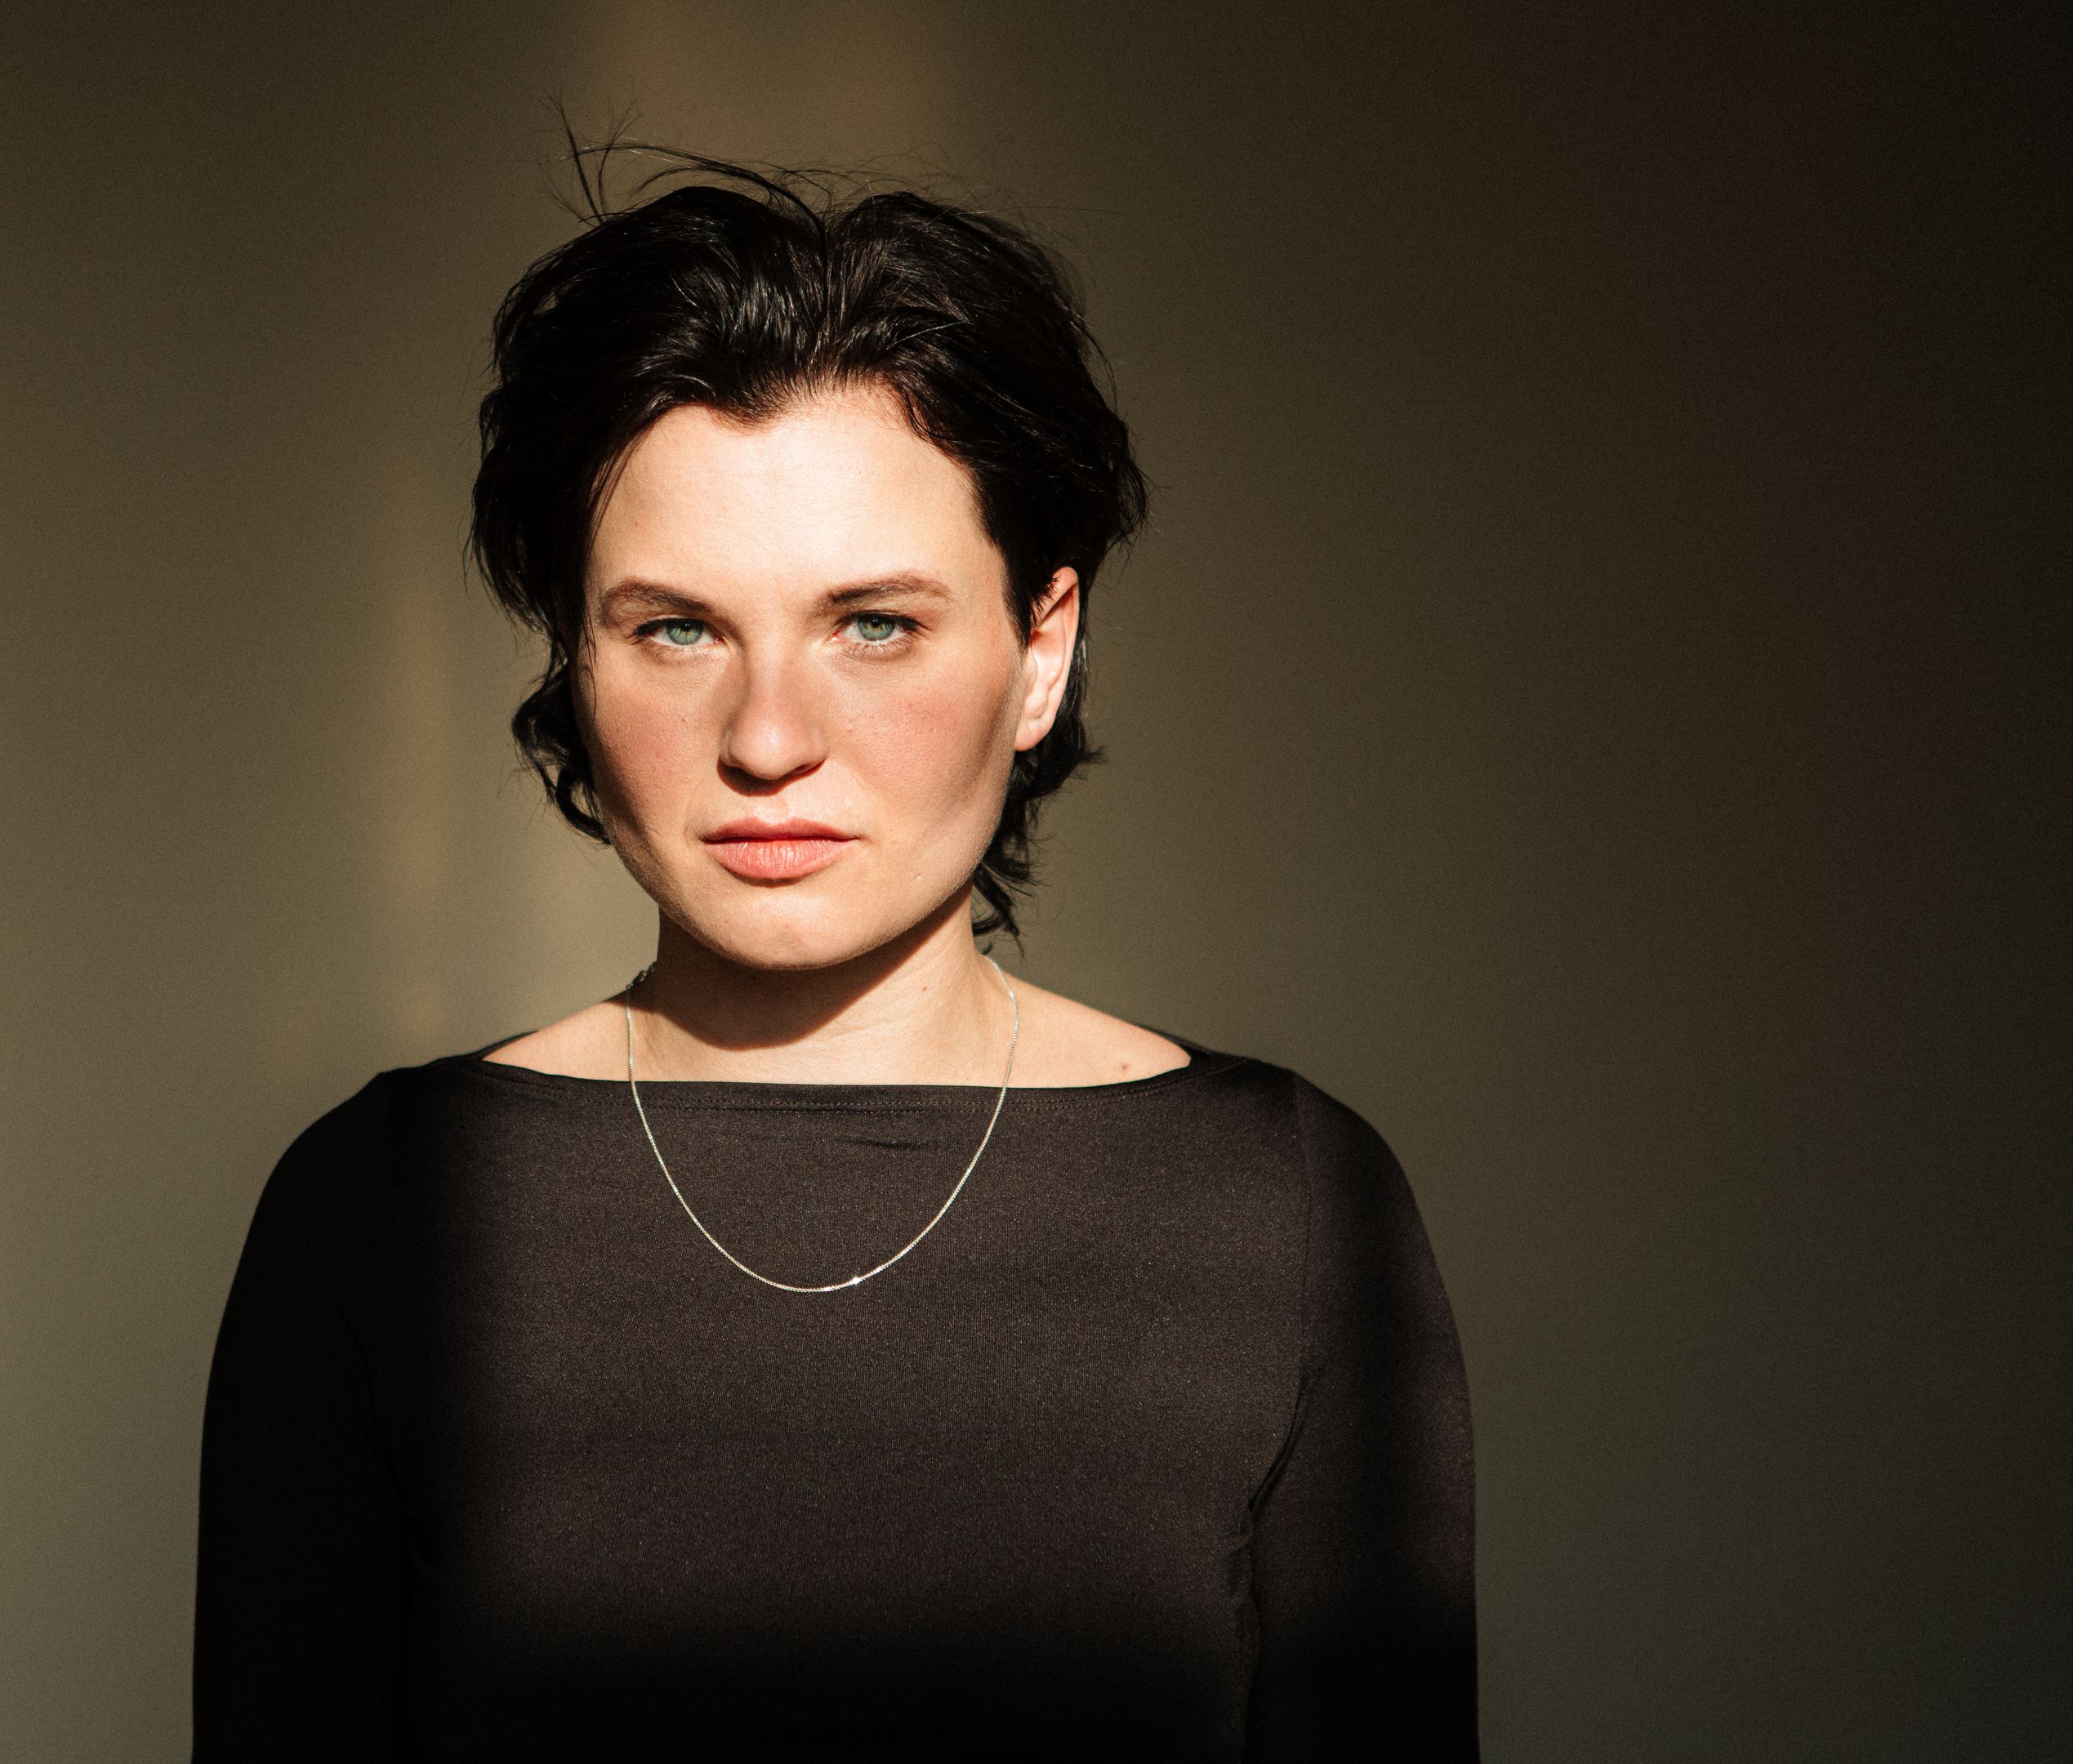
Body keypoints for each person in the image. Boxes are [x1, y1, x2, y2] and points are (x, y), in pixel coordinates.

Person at [194, 158, 1475, 1760]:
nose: (769, 739)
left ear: (1042, 650)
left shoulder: (1286, 1205)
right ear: (573, 657)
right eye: (678, 628)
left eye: (874, 624)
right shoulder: (381, 1208)